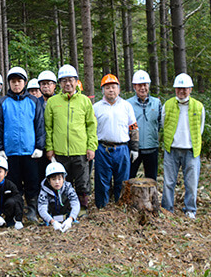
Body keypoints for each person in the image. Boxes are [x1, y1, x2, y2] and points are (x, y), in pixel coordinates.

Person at [0, 66, 45, 221]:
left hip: (30, 152)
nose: (16, 84)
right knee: (13, 183)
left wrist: (39, 146)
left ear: (25, 82)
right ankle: (16, 210)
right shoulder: (3, 102)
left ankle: (32, 210)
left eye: (19, 81)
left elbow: (39, 125)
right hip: (10, 152)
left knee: (32, 182)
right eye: (13, 81)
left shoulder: (33, 101)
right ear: (9, 83)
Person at [44, 64, 97, 211]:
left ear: (76, 81)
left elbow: (91, 126)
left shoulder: (85, 101)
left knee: (82, 182)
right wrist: (49, 148)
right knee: (61, 181)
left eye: (71, 80)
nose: (68, 83)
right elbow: (48, 127)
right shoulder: (53, 102)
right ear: (59, 83)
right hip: (60, 151)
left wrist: (91, 146)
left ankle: (82, 208)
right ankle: (64, 208)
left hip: (80, 150)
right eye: (64, 80)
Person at [162, 73, 205, 219]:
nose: (182, 91)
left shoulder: (198, 106)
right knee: (168, 182)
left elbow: (201, 128)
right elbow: (164, 124)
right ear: (175, 89)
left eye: (185, 88)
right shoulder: (167, 105)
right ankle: (167, 208)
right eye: (178, 88)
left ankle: (190, 209)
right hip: (171, 149)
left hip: (191, 151)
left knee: (191, 183)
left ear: (190, 89)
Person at [93, 74, 139, 209]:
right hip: (102, 148)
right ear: (103, 90)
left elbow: (134, 127)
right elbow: (91, 129)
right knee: (102, 181)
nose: (111, 90)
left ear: (118, 89)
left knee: (122, 180)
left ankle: (120, 206)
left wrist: (135, 148)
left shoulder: (126, 106)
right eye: (107, 87)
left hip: (122, 149)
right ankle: (102, 207)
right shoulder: (96, 107)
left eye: (113, 87)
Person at [127, 70, 162, 180]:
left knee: (151, 179)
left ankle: (151, 198)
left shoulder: (156, 103)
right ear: (134, 86)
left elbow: (160, 123)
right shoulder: (127, 104)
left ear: (149, 85)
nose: (142, 88)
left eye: (145, 85)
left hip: (152, 147)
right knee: (129, 178)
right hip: (133, 149)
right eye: (139, 85)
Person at [38, 161, 79, 232]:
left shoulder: (68, 187)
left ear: (64, 178)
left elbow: (75, 203)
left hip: (66, 215)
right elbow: (42, 209)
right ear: (48, 180)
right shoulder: (44, 190)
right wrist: (52, 222)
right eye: (53, 179)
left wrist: (70, 219)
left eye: (59, 179)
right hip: (51, 216)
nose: (57, 182)